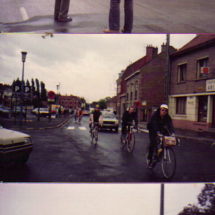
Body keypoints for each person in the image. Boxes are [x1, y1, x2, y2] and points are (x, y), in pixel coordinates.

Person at [147, 104, 175, 168]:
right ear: (160, 110)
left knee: (165, 139)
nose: (164, 112)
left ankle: (160, 153)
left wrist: (172, 133)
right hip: (152, 128)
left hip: (160, 128)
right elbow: (153, 123)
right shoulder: (155, 115)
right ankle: (150, 158)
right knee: (153, 143)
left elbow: (170, 125)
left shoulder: (167, 117)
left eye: (166, 110)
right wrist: (157, 132)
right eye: (162, 110)